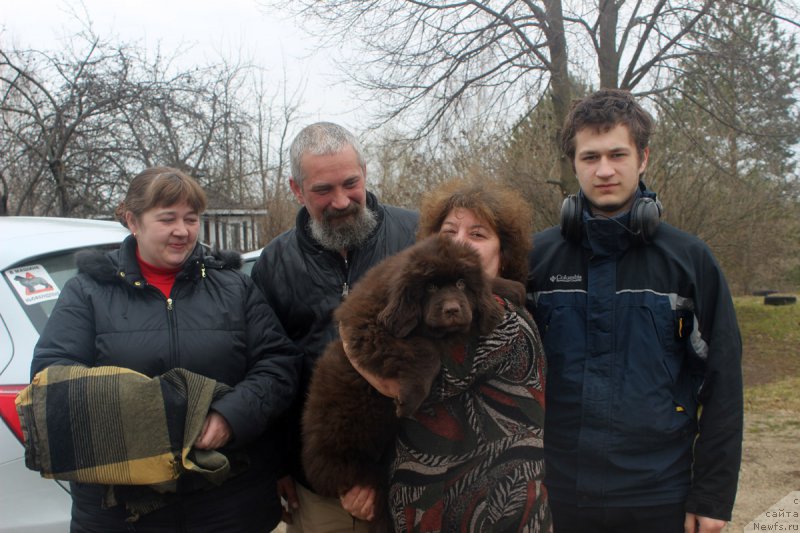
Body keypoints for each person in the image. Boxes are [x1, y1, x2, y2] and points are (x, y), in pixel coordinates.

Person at [31, 167, 302, 532]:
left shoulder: (233, 288)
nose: (182, 230)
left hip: (227, 500)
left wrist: (229, 417)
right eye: (167, 219)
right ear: (132, 220)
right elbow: (52, 376)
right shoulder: (89, 292)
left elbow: (278, 364)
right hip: (123, 509)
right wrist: (147, 426)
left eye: (191, 219)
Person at [527, 89, 743, 533]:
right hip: (556, 495)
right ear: (574, 164)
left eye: (617, 154)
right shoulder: (537, 259)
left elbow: (723, 383)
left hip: (658, 495)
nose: (603, 170)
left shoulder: (690, 260)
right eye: (589, 157)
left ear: (642, 158)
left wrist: (713, 496)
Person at [341, 180, 553, 532]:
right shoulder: (442, 312)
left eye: (478, 234)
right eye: (449, 231)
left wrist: (348, 332)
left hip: (494, 517)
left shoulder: (500, 319)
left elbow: (392, 381)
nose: (459, 243)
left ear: (504, 255)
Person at [250, 121, 419, 532]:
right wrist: (279, 466)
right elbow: (268, 372)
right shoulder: (274, 264)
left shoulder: (417, 237)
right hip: (320, 490)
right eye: (323, 190)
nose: (341, 201)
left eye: (350, 183)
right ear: (296, 189)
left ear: (365, 173)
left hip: (414, 476)